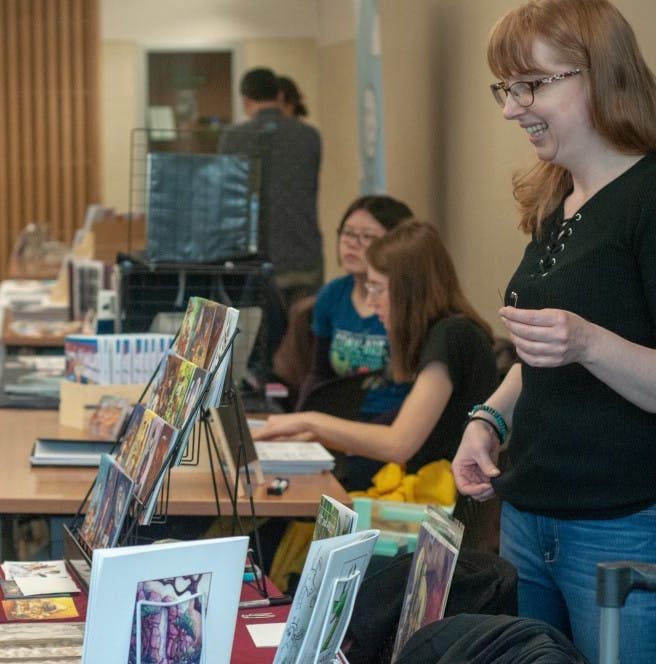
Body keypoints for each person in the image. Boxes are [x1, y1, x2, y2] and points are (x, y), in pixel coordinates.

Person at [451, 0, 656, 660]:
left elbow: (575, 343)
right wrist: (488, 420)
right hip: (527, 515)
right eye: (505, 90)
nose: (512, 109)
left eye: (531, 86)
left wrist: (588, 341)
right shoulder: (553, 198)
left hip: (619, 526)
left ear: (598, 74)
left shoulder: (647, 200)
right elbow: (541, 352)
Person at [254, 220, 498, 479]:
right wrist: (311, 433)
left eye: (377, 288)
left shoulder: (452, 336)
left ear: (409, 290)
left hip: (440, 497)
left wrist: (309, 421)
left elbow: (398, 444)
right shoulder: (441, 333)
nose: (371, 301)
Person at [303, 195, 415, 489]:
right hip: (337, 425)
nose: (353, 243)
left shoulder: (405, 305)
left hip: (388, 432)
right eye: (348, 233)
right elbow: (319, 373)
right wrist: (301, 419)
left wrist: (353, 436)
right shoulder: (331, 295)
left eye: (368, 237)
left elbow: (410, 394)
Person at [219, 67, 323, 360]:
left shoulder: (233, 138)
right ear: (279, 95)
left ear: (245, 100)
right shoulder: (309, 136)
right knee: (303, 343)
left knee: (260, 347)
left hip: (253, 261)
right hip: (304, 254)